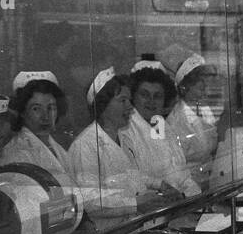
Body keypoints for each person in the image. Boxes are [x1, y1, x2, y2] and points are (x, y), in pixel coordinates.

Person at [68, 68, 170, 215]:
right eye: (123, 100)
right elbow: (90, 200)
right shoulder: (85, 146)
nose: (130, 106)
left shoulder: (123, 138)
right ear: (103, 105)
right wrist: (135, 204)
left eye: (129, 100)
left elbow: (131, 175)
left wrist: (159, 184)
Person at [121, 59, 200, 198]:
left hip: (178, 207)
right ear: (133, 96)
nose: (151, 101)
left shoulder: (162, 126)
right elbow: (131, 179)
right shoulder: (125, 131)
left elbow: (182, 175)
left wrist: (189, 195)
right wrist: (163, 189)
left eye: (157, 96)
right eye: (144, 95)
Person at [0, 71, 79, 186]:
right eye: (36, 109)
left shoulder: (56, 145)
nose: (45, 116)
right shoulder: (15, 153)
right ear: (22, 111)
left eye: (51, 108)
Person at [166, 53, 223, 183]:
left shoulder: (205, 110)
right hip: (189, 183)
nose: (204, 88)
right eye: (199, 84)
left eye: (204, 83)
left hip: (210, 178)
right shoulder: (175, 121)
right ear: (185, 87)